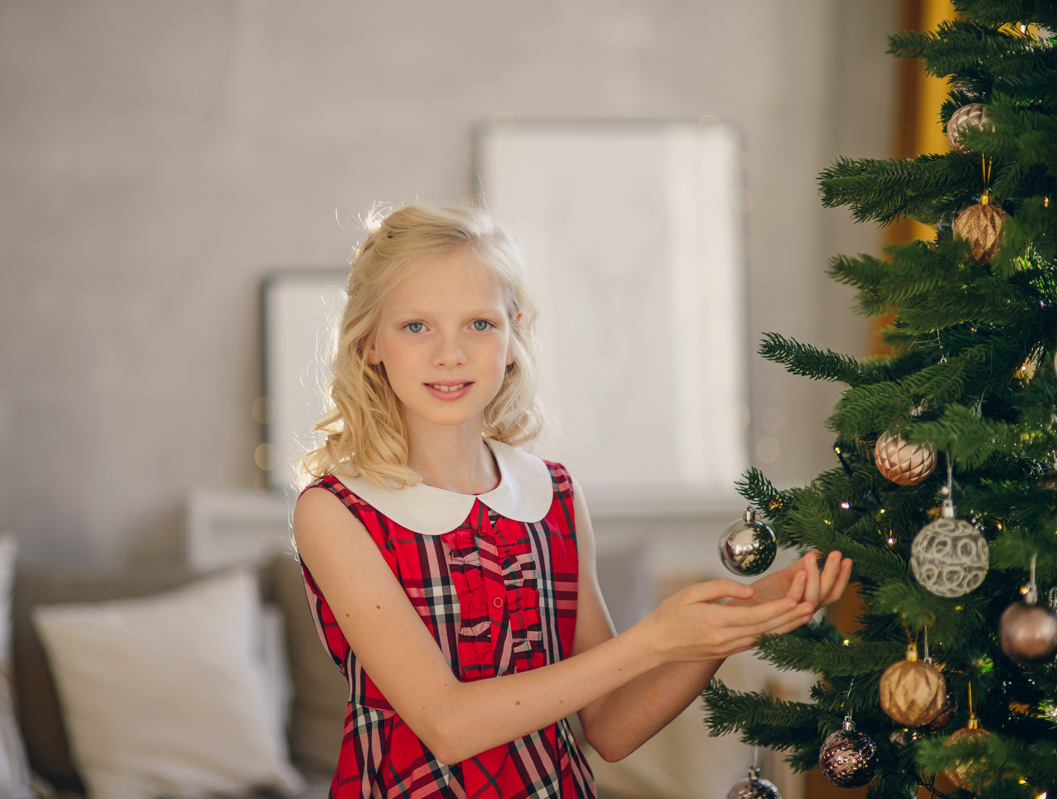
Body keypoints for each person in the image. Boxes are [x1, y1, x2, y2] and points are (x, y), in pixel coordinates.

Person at [293, 203, 852, 799]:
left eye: (479, 324)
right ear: (370, 343)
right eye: (416, 326)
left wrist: (729, 625)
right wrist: (653, 638)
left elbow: (609, 727)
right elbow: (448, 726)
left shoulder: (552, 493)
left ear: (513, 335)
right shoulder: (336, 511)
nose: (449, 354)